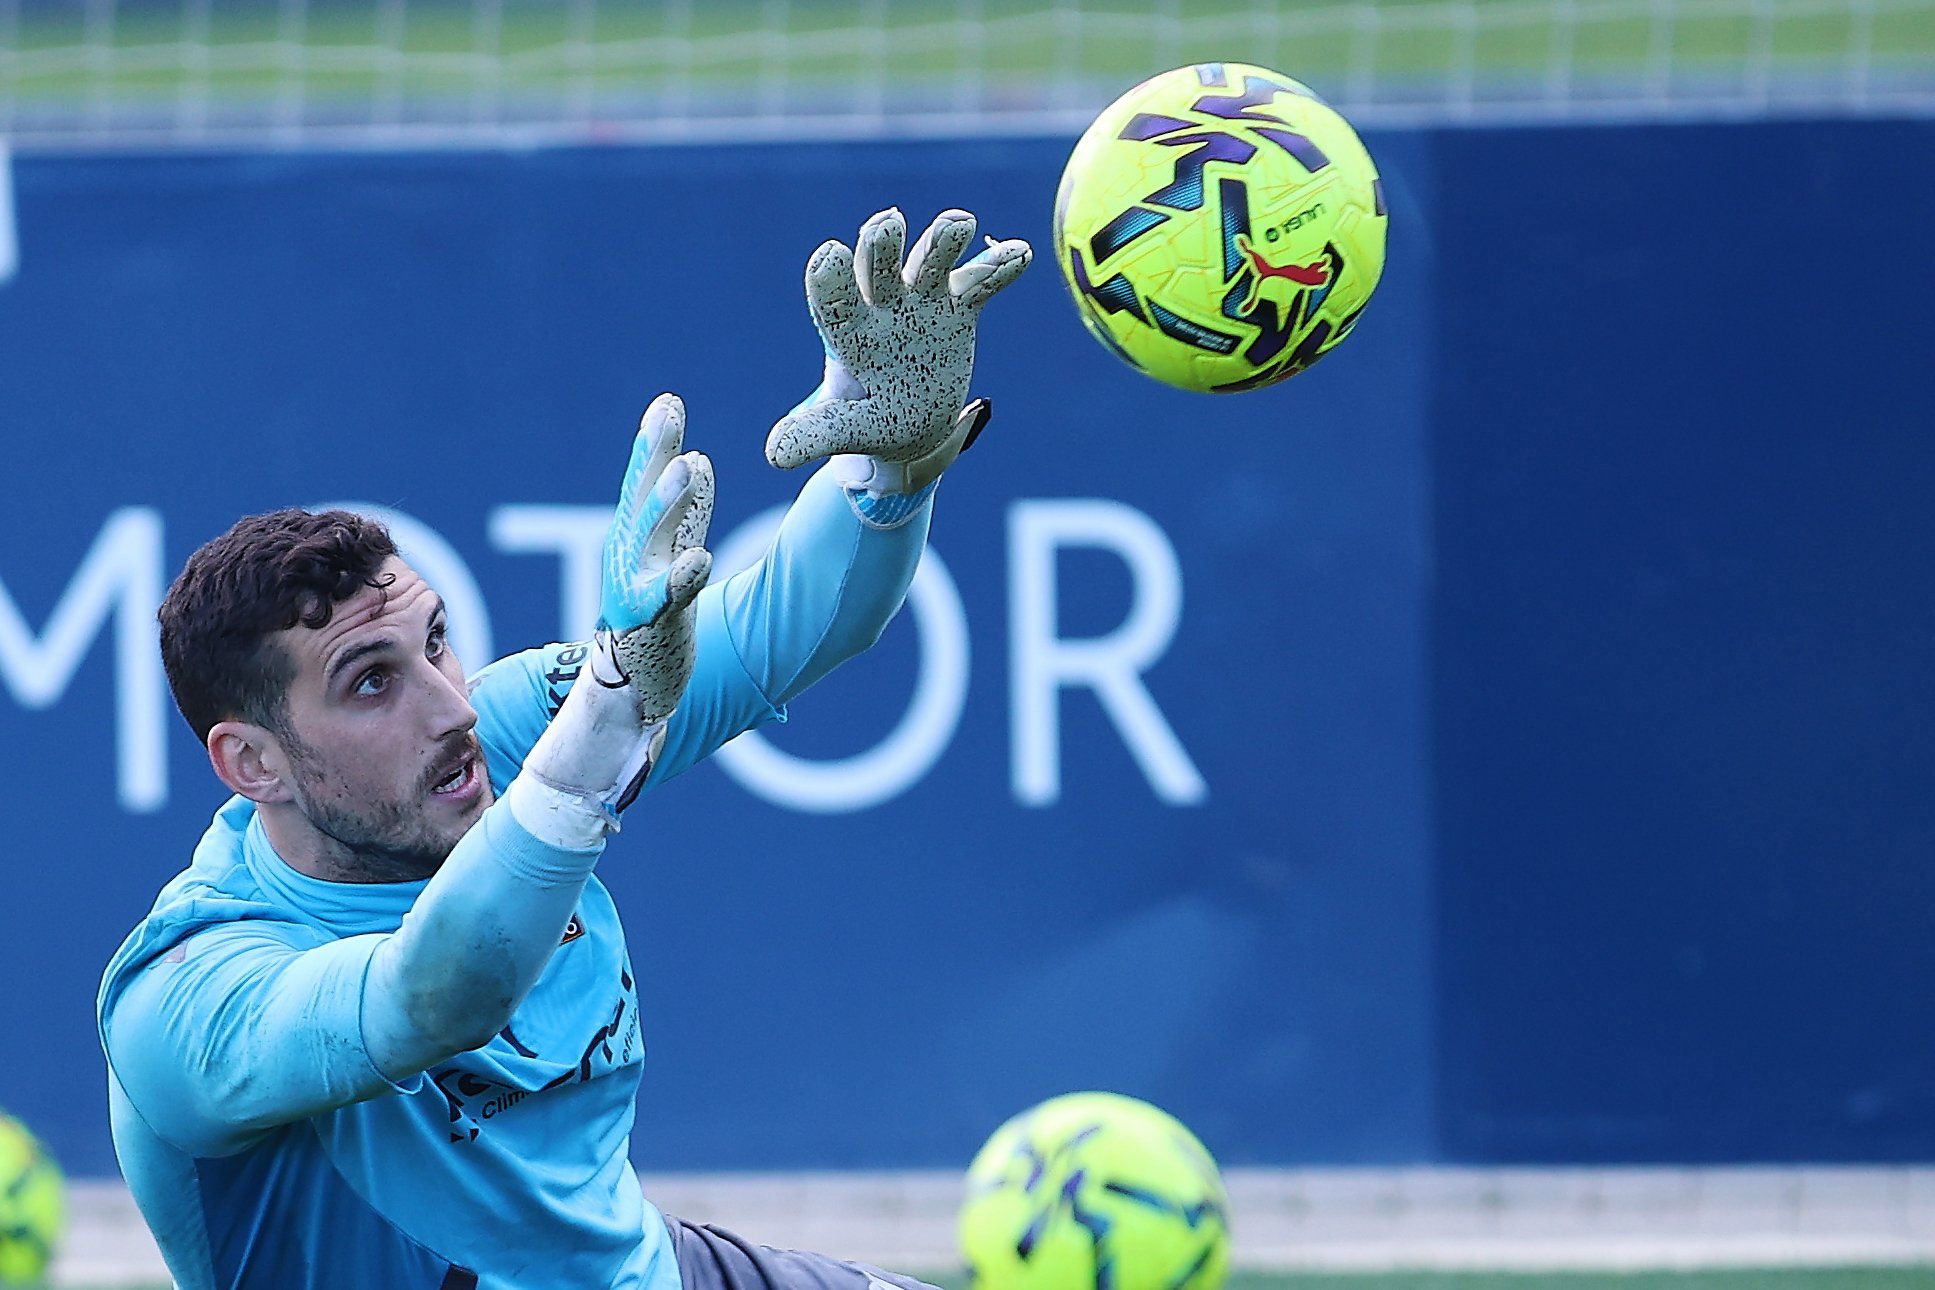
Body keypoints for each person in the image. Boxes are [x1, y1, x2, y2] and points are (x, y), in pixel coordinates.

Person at [96, 208, 1030, 1289]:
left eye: (435, 639)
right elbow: (428, 998)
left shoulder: (492, 736)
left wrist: (892, 465)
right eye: (370, 683)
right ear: (252, 764)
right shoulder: (188, 997)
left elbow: (782, 632)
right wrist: (608, 719)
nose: (446, 705)